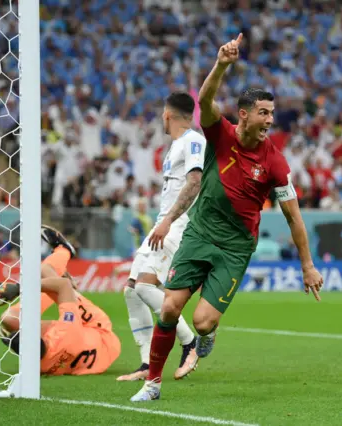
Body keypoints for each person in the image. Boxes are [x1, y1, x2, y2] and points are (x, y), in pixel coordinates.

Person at [131, 33, 323, 402]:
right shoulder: (221, 136)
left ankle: (206, 334)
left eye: (272, 112)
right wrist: (221, 64)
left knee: (203, 321)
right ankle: (152, 384)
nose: (269, 120)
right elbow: (204, 100)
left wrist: (307, 265)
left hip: (235, 248)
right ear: (245, 114)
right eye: (263, 112)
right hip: (199, 234)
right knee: (170, 306)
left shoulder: (275, 163)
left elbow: (294, 217)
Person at [118, 92, 205, 382]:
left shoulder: (193, 141)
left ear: (167, 114)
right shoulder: (175, 146)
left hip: (177, 226)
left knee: (144, 287)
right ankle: (146, 364)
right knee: (131, 290)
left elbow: (195, 182)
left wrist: (169, 221)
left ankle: (190, 343)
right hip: (162, 223)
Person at [0, 225, 121, 376]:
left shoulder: (37, 368)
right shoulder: (65, 331)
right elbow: (64, 286)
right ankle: (64, 249)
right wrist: (19, 288)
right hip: (101, 335)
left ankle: (57, 278)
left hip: (85, 351)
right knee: (45, 271)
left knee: (9, 319)